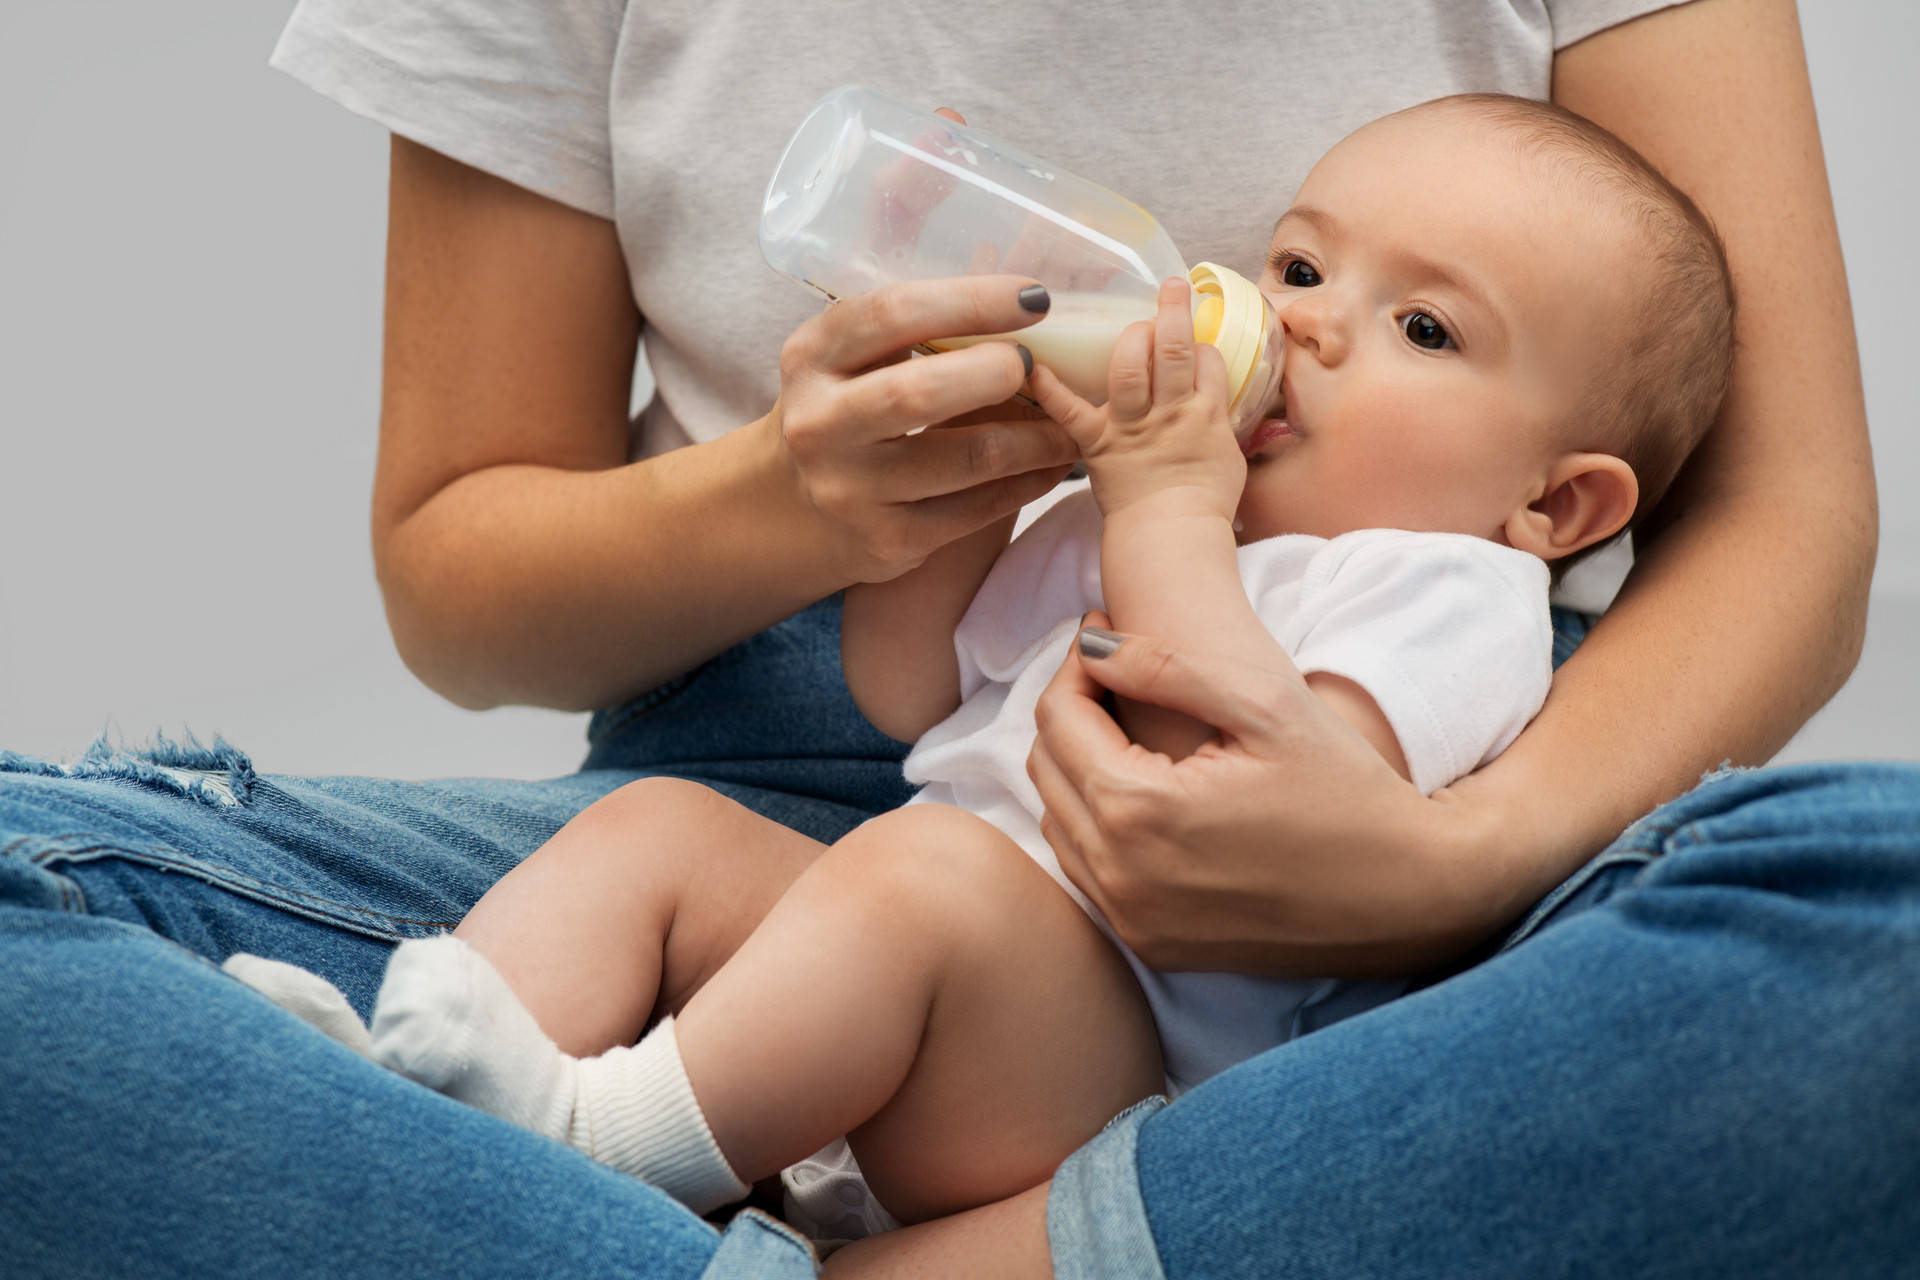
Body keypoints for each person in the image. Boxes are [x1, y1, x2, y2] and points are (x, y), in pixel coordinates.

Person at [2, 2, 1910, 1277]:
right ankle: (420, 1093)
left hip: (1184, 994)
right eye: (1310, 268)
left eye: (1424, 332)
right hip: (804, 790)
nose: (1312, 323)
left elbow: (1209, 783)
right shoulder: (1145, 509)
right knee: (664, 851)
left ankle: (588, 1168)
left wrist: (1433, 837)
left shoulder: (1443, 592)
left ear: (1557, 505)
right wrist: (878, 509)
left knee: (1877, 931)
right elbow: (908, 691)